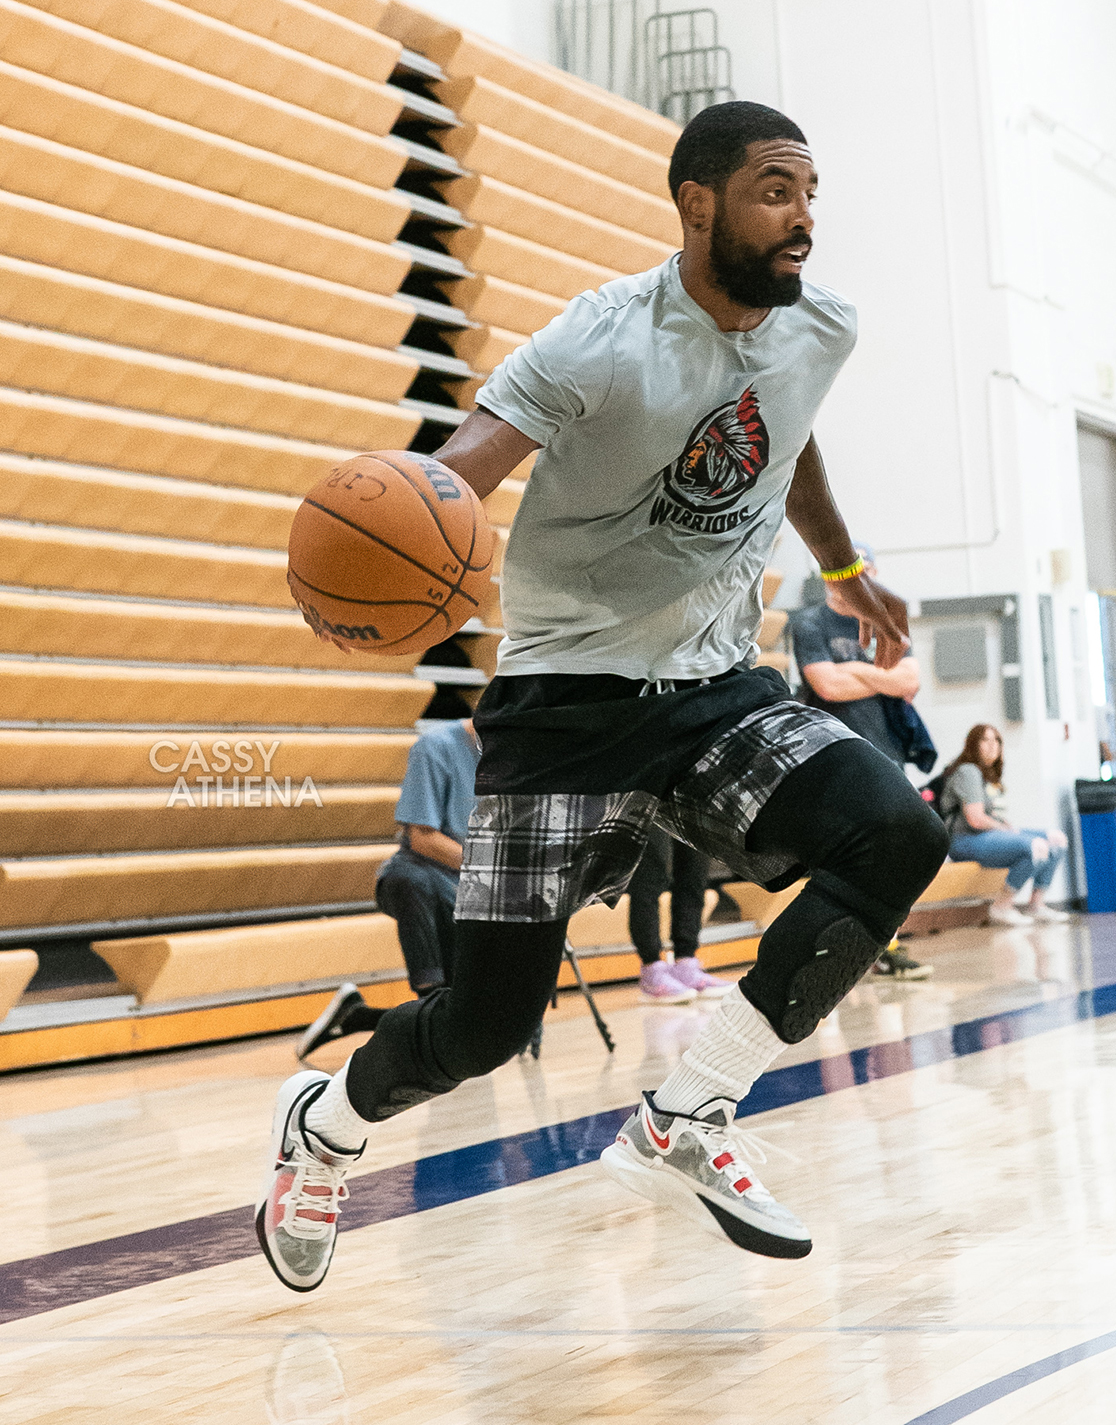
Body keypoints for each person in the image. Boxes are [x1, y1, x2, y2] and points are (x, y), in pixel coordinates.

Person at [256, 100, 949, 1293]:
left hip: (715, 690)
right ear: (698, 202)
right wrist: (387, 548)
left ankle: (692, 1110)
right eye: (777, 191)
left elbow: (790, 439)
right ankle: (324, 1122)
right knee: (484, 1025)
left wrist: (843, 565)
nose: (804, 221)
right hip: (567, 706)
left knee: (897, 831)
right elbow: (459, 474)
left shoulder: (816, 329)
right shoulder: (595, 340)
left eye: (811, 194)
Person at [296, 718, 479, 1059]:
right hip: (425, 875)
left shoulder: (516, 759)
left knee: (466, 1023)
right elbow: (422, 838)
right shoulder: (435, 747)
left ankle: (357, 1016)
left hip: (475, 889)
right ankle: (429, 991)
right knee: (411, 882)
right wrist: (492, 869)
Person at [791, 544, 933, 981]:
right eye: (851, 570)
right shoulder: (810, 622)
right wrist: (882, 679)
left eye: (867, 570)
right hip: (836, 753)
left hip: (887, 749)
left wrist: (856, 670)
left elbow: (911, 680)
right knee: (839, 856)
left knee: (896, 853)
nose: (859, 578)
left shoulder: (885, 620)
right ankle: (834, 949)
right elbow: (827, 686)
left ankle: (886, 944)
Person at [941, 724, 1069, 926]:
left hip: (985, 837)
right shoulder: (968, 771)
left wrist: (1005, 827)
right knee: (1035, 846)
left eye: (997, 741)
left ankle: (1037, 904)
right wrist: (1008, 830)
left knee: (1056, 839)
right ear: (973, 745)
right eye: (986, 740)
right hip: (964, 841)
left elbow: (990, 816)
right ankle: (1002, 905)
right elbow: (975, 819)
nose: (993, 746)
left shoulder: (988, 774)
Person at [627, 828, 732, 1002]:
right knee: (650, 873)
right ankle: (651, 969)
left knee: (694, 872)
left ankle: (686, 964)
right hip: (648, 802)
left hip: (691, 800)